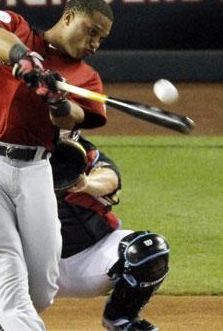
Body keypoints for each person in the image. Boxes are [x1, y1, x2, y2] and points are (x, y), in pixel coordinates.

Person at [0, 0, 113, 330]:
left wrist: (55, 99)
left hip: (35, 171)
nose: (94, 43)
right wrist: (25, 61)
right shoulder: (18, 29)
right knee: (6, 271)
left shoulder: (87, 79)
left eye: (101, 38)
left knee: (41, 290)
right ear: (69, 17)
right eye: (91, 31)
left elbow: (73, 117)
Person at [53, 132, 170, 331]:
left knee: (149, 249)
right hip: (31, 270)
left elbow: (109, 178)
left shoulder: (82, 153)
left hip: (89, 261)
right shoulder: (7, 156)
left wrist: (86, 184)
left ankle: (120, 318)